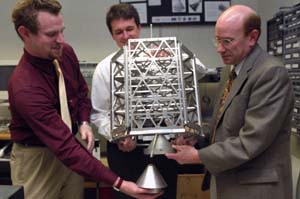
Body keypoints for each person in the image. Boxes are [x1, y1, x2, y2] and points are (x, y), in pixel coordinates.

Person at [8, 1, 162, 199]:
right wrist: (119, 183)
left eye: (61, 31)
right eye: (51, 34)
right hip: (39, 158)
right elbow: (64, 147)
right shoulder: (25, 86)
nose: (61, 40)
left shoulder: (64, 53)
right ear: (25, 33)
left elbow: (80, 91)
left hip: (72, 146)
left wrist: (83, 122)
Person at [166, 5, 294, 199]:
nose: (219, 49)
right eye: (217, 40)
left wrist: (198, 156)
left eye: (227, 41)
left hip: (256, 189)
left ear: (252, 37)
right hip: (229, 183)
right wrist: (198, 137)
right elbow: (223, 124)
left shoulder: (270, 73)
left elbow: (251, 141)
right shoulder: (231, 69)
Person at [91, 3, 206, 199]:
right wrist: (117, 135)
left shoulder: (163, 56)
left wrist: (173, 54)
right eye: (119, 32)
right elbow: (99, 113)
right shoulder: (105, 68)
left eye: (130, 29)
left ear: (139, 28)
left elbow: (200, 71)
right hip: (126, 151)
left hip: (165, 147)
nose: (126, 36)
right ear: (112, 35)